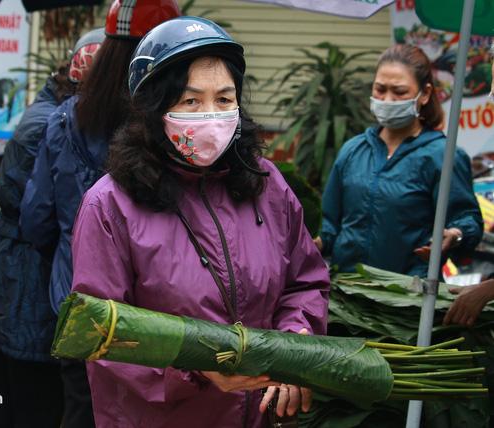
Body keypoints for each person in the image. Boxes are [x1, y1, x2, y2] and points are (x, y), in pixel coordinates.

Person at [69, 16, 330, 427]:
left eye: (224, 100)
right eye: (191, 101)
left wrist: (296, 342)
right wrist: (196, 369)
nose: (211, 116)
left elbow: (306, 282)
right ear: (154, 106)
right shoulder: (108, 206)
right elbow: (101, 334)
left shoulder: (267, 185)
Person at [20, 1, 181, 425]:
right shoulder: (172, 126)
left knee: (80, 408)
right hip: (155, 310)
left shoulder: (66, 119)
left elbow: (35, 218)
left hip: (79, 302)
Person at [0, 29, 104, 428]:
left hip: (13, 282)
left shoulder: (51, 114)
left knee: (0, 401)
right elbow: (41, 218)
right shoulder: (55, 124)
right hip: (25, 286)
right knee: (28, 406)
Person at [317, 44, 483, 277]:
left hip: (407, 299)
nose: (387, 99)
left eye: (399, 91)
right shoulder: (353, 150)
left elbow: (468, 219)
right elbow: (330, 226)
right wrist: (314, 244)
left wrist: (455, 234)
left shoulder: (443, 156)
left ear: (424, 94)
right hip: (347, 292)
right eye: (380, 89)